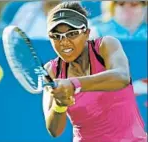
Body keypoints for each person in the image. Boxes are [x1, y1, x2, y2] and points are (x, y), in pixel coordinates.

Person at [42, 2, 147, 142]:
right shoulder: (52, 70)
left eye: (72, 33)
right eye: (56, 36)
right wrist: (59, 104)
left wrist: (74, 84)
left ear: (87, 33)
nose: (64, 42)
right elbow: (54, 130)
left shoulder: (106, 45)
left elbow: (122, 77)